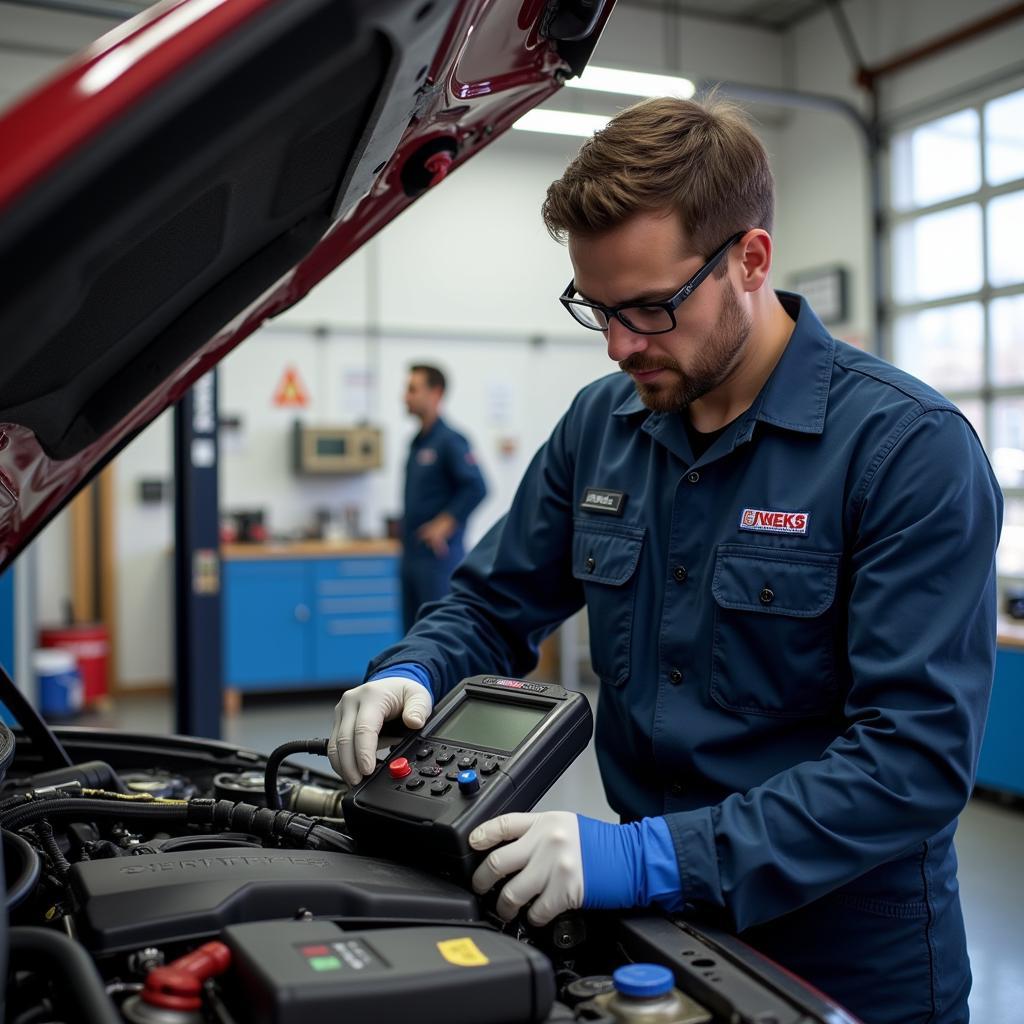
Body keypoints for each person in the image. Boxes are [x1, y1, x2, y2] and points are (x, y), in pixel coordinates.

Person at [328, 97, 1001, 1024]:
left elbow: (912, 762)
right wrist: (414, 669)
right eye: (595, 309)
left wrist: (649, 857)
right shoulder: (599, 429)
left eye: (649, 308)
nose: (619, 346)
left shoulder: (904, 451)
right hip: (649, 935)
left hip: (847, 958)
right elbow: (490, 604)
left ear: (750, 260)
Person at [398, 364, 487, 632]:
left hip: (438, 560)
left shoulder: (450, 441)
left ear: (435, 393)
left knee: (437, 634)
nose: (405, 397)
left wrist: (443, 524)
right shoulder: (418, 442)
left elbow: (477, 487)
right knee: (412, 635)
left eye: (413, 389)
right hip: (412, 555)